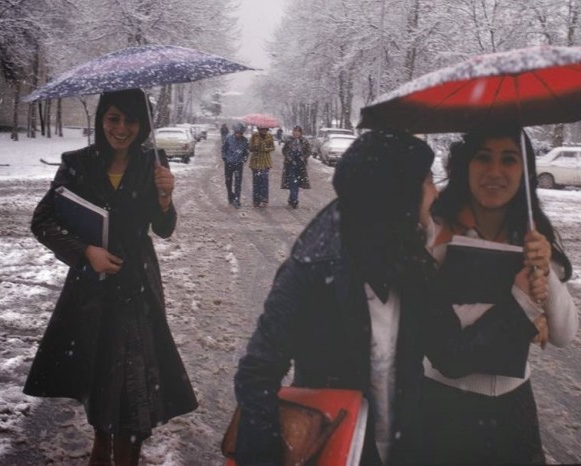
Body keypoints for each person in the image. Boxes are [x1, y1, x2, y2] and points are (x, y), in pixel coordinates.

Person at [233, 131, 543, 466]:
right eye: (426, 181)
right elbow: (257, 375)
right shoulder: (313, 268)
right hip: (333, 446)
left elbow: (452, 355)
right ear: (396, 193)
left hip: (402, 447)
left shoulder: (410, 259)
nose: (435, 192)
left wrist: (520, 302)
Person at [25, 89, 198, 466]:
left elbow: (163, 229)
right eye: (113, 118)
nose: (121, 129)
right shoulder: (78, 164)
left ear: (143, 124)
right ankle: (102, 445)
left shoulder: (153, 161)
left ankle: (126, 451)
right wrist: (86, 253)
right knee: (101, 373)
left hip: (137, 286)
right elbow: (42, 221)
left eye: (131, 121)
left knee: (136, 381)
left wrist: (166, 199)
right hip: (92, 287)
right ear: (101, 119)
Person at [421, 125, 578, 464]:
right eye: (483, 158)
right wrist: (519, 304)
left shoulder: (533, 234)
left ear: (525, 173)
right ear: (466, 166)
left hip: (513, 410)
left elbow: (565, 334)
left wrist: (545, 268)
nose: (494, 172)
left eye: (509, 160)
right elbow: (431, 335)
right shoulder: (436, 230)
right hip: (441, 408)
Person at [280, 125, 311, 208]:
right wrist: (289, 158)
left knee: (297, 182)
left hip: (300, 164)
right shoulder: (289, 141)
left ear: (300, 133)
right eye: (295, 131)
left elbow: (308, 151)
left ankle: (292, 198)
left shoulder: (304, 141)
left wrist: (303, 157)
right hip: (290, 164)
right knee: (292, 181)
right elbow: (284, 151)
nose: (296, 133)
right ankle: (294, 200)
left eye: (298, 131)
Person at [221, 122, 250, 208]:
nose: (239, 134)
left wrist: (244, 159)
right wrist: (225, 158)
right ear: (234, 132)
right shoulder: (229, 139)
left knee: (238, 182)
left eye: (240, 133)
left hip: (238, 164)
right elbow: (224, 149)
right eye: (237, 132)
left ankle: (237, 199)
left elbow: (246, 152)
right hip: (229, 163)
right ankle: (230, 196)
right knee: (228, 181)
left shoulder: (245, 141)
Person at [248, 126, 275, 208]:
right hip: (255, 162)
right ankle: (256, 200)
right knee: (256, 182)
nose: (263, 131)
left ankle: (264, 200)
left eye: (265, 129)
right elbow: (250, 148)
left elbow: (273, 148)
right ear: (259, 129)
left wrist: (265, 148)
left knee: (264, 182)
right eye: (262, 129)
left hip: (265, 162)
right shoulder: (254, 136)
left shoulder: (270, 136)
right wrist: (254, 146)